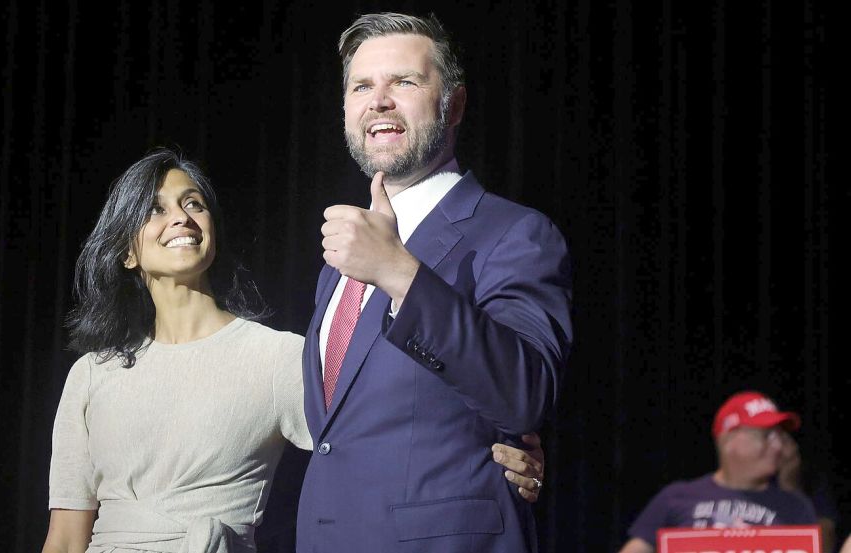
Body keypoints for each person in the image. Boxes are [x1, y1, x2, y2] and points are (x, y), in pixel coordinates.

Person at [40, 149, 547, 553]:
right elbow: (65, 537)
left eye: (193, 203)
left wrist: (500, 444)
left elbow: (383, 429)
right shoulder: (92, 374)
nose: (181, 218)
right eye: (155, 210)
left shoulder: (276, 358)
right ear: (127, 252)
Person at [296, 12, 573, 553]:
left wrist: (398, 271)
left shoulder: (515, 232)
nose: (379, 100)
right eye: (361, 86)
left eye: (404, 81)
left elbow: (526, 392)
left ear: (455, 104)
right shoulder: (341, 262)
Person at [617, 391, 818, 553]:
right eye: (766, 436)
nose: (778, 446)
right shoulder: (676, 497)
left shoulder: (796, 507)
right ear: (728, 440)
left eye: (779, 436)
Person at [777, 430, 839, 553]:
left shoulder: (812, 480)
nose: (775, 445)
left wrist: (790, 488)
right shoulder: (743, 484)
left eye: (785, 440)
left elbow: (825, 545)